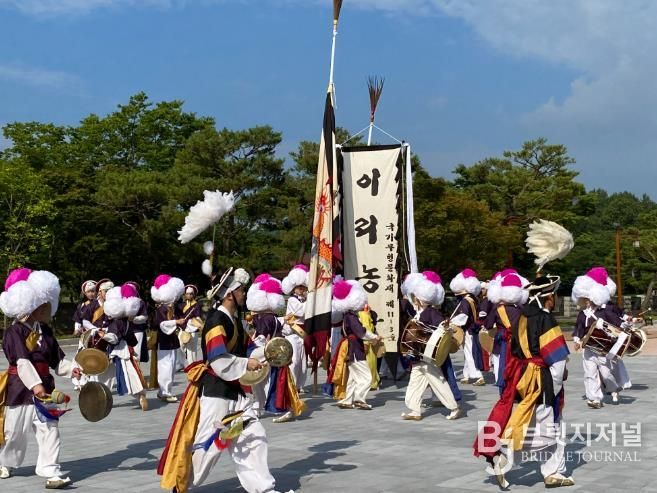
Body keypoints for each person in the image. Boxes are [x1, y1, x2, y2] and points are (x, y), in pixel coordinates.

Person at [157, 268, 293, 493]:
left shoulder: (235, 320)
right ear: (230, 294)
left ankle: (264, 489)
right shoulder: (216, 320)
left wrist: (269, 353)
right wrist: (246, 363)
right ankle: (180, 486)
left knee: (253, 436)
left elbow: (248, 349)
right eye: (240, 290)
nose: (244, 294)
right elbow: (218, 359)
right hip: (216, 393)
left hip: (236, 394)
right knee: (208, 446)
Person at [473, 275, 574, 489]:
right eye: (554, 295)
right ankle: (506, 457)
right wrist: (555, 388)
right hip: (542, 378)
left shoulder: (520, 318)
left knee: (530, 422)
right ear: (549, 297)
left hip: (522, 375)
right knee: (550, 426)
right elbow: (557, 360)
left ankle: (549, 470)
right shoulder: (545, 319)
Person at [0, 268, 79, 489]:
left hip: (46, 389)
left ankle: (51, 470)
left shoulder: (45, 330)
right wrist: (36, 386)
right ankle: (6, 462)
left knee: (50, 429)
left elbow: (57, 359)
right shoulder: (13, 332)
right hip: (21, 389)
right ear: (32, 304)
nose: (48, 307)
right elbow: (22, 362)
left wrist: (72, 369)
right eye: (43, 303)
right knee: (15, 433)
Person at [400, 271, 462, 421]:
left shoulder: (431, 312)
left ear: (419, 299)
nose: (413, 299)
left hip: (427, 356)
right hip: (418, 355)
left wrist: (447, 327)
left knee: (438, 382)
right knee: (415, 383)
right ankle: (414, 410)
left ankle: (454, 407)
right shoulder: (420, 312)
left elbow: (442, 326)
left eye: (415, 297)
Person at [247, 275, 305, 424]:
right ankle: (259, 407)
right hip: (274, 352)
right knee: (261, 382)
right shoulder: (271, 317)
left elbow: (261, 338)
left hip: (266, 352)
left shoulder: (265, 318)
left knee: (262, 382)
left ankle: (280, 408)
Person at [571, 267, 629, 408]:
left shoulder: (605, 311)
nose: (587, 300)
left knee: (606, 373)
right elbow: (579, 328)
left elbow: (617, 323)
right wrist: (577, 340)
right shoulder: (583, 314)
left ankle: (614, 388)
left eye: (588, 298)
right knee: (589, 373)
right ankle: (594, 399)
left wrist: (626, 324)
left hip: (603, 348)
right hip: (588, 347)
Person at [328, 279, 383, 410]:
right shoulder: (352, 316)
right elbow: (361, 332)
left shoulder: (347, 315)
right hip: (355, 348)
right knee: (366, 376)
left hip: (350, 347)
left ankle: (347, 400)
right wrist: (374, 337)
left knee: (353, 376)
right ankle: (359, 399)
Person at [97, 283, 149, 411]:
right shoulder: (126, 321)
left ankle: (103, 398)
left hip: (117, 351)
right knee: (129, 374)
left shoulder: (116, 322)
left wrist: (104, 335)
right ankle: (140, 395)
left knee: (108, 375)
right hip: (125, 350)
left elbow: (114, 338)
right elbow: (131, 339)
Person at [482, 271, 528, 394]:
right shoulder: (522, 309)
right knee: (518, 364)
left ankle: (503, 389)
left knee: (502, 364)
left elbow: (487, 325)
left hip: (503, 340)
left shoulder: (498, 309)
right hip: (519, 340)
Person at [151, 274, 185, 403]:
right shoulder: (161, 308)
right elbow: (161, 324)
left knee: (171, 366)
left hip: (172, 341)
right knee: (165, 366)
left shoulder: (172, 308)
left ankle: (164, 391)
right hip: (163, 341)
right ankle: (165, 392)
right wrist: (176, 322)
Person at [450, 269, 486, 385]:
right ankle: (466, 375)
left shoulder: (465, 301)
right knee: (468, 352)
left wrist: (451, 323)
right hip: (473, 329)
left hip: (468, 330)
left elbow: (463, 316)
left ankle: (478, 376)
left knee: (470, 353)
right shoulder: (474, 299)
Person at [281, 265, 309, 394]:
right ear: (294, 289)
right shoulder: (292, 300)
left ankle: (299, 385)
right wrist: (310, 300)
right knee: (295, 360)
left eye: (303, 286)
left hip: (302, 333)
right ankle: (292, 384)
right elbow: (301, 312)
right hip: (293, 333)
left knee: (303, 362)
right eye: (299, 287)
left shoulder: (305, 299)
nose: (302, 289)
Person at [178, 284, 204, 367]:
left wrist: (197, 324)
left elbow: (198, 317)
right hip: (183, 329)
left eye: (191, 294)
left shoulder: (197, 305)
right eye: (187, 294)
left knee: (191, 350)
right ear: (185, 294)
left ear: (194, 294)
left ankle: (192, 365)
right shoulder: (181, 305)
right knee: (179, 347)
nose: (189, 295)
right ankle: (181, 364)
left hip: (193, 329)